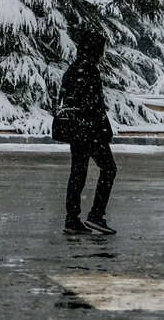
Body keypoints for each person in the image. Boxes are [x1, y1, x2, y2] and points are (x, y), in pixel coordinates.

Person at [60, 30, 117, 235]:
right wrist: (101, 130)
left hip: (76, 131)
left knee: (78, 172)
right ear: (95, 50)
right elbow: (93, 106)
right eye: (102, 49)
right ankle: (96, 215)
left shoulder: (73, 69)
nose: (103, 53)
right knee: (109, 168)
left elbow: (67, 100)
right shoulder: (89, 70)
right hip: (90, 131)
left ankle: (72, 219)